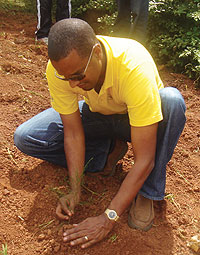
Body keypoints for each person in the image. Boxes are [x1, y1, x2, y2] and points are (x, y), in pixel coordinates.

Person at [14, 18, 186, 249]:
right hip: (99, 114)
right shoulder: (61, 71)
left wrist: (108, 218)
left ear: (96, 52)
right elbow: (73, 133)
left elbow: (145, 158)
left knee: (172, 101)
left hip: (136, 121)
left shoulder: (133, 66)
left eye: (78, 76)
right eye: (66, 78)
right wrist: (75, 190)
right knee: (26, 137)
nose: (72, 85)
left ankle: (148, 193)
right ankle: (105, 154)